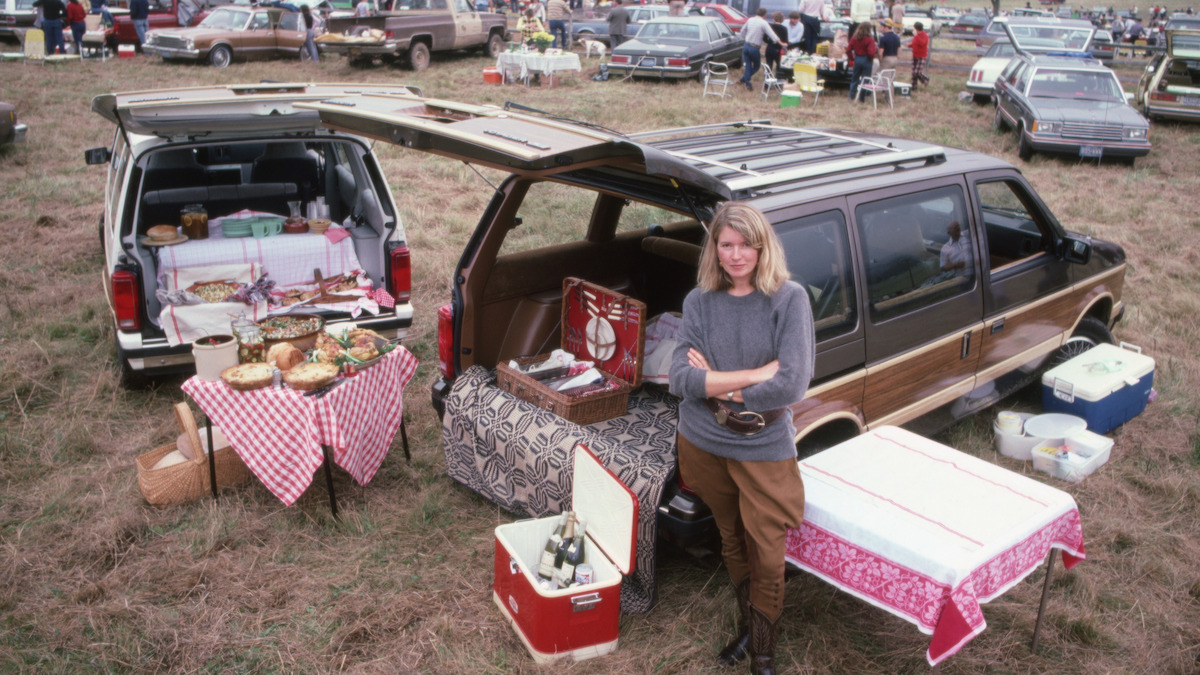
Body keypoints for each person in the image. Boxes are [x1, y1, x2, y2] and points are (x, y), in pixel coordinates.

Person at [669, 201, 813, 675]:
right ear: (714, 249)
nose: (735, 255)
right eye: (726, 245)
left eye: (745, 244)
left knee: (766, 552)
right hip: (703, 439)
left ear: (762, 246)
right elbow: (680, 379)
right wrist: (752, 376)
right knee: (731, 538)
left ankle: (764, 656)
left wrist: (716, 382)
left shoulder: (788, 299)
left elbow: (791, 384)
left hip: (763, 445)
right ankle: (750, 629)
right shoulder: (699, 301)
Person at [740, 7, 782, 92]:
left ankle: (745, 80)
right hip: (754, 47)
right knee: (756, 66)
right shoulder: (763, 23)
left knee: (748, 65)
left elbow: (742, 31)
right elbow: (771, 34)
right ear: (765, 15)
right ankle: (745, 80)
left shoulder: (750, 20)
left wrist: (745, 38)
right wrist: (780, 42)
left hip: (746, 45)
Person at [847, 21, 877, 101]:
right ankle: (862, 97)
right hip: (866, 59)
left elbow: (848, 49)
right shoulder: (870, 39)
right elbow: (871, 52)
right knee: (865, 79)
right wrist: (871, 58)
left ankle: (851, 96)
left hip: (857, 59)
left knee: (855, 78)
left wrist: (851, 58)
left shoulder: (854, 38)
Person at [765, 12, 788, 81]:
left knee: (768, 65)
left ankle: (767, 81)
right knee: (779, 65)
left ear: (774, 19)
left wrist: (769, 42)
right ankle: (778, 80)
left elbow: (764, 38)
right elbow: (785, 41)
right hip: (778, 49)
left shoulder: (770, 27)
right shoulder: (784, 28)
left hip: (769, 47)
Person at [908, 20, 930, 91]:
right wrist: (909, 45)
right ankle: (913, 87)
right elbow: (915, 43)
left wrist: (916, 36)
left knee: (917, 72)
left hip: (921, 56)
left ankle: (925, 79)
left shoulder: (924, 36)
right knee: (913, 73)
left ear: (917, 29)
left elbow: (922, 43)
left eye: (914, 28)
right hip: (915, 55)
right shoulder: (916, 36)